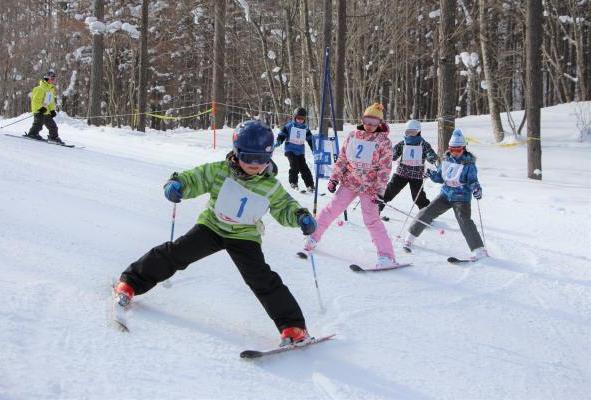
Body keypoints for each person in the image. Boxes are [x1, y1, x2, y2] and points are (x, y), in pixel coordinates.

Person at [113, 120, 318, 346]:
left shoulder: (270, 186)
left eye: (261, 158)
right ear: (236, 152)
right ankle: (131, 282)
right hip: (212, 226)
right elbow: (196, 178)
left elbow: (285, 207)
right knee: (176, 254)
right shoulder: (220, 171)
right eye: (248, 158)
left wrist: (300, 217)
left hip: (245, 236)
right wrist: (178, 183)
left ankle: (293, 326)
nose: (254, 164)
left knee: (262, 279)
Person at [303, 103, 400, 269]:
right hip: (350, 182)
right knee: (331, 209)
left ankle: (386, 256)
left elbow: (385, 169)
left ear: (380, 123)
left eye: (373, 122)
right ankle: (313, 236)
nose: (369, 125)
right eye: (366, 120)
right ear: (362, 119)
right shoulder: (353, 135)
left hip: (369, 187)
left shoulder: (383, 142)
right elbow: (342, 159)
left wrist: (379, 191)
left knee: (371, 220)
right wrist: (334, 178)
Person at [403, 129, 488, 260]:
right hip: (446, 194)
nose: (455, 153)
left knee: (464, 221)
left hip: (461, 197)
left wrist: (477, 189)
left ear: (464, 148)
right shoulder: (447, 160)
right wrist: (431, 174)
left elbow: (473, 181)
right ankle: (410, 238)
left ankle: (479, 250)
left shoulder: (468, 164)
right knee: (427, 212)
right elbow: (440, 178)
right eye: (452, 149)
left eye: (458, 150)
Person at [379, 119, 439, 220]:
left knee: (418, 197)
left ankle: (427, 216)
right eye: (408, 132)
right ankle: (376, 209)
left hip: (416, 176)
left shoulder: (424, 144)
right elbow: (392, 156)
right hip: (401, 174)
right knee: (389, 191)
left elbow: (432, 157)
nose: (410, 135)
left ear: (418, 132)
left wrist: (431, 157)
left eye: (413, 133)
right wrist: (385, 155)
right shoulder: (403, 144)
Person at [276, 107, 315, 192]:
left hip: (300, 151)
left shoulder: (305, 128)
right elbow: (282, 134)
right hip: (290, 150)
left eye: (302, 118)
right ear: (294, 117)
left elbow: (310, 139)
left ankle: (310, 185)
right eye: (298, 118)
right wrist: (279, 140)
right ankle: (293, 182)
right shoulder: (289, 126)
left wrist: (314, 148)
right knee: (294, 166)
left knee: (304, 168)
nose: (300, 120)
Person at [25, 68, 64, 144]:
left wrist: (52, 110)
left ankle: (53, 137)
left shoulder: (51, 89)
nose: (53, 81)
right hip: (39, 111)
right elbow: (35, 101)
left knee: (53, 126)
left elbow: (50, 102)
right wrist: (40, 109)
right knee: (38, 124)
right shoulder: (39, 89)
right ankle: (33, 133)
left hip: (46, 112)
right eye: (52, 79)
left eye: (54, 79)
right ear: (47, 79)